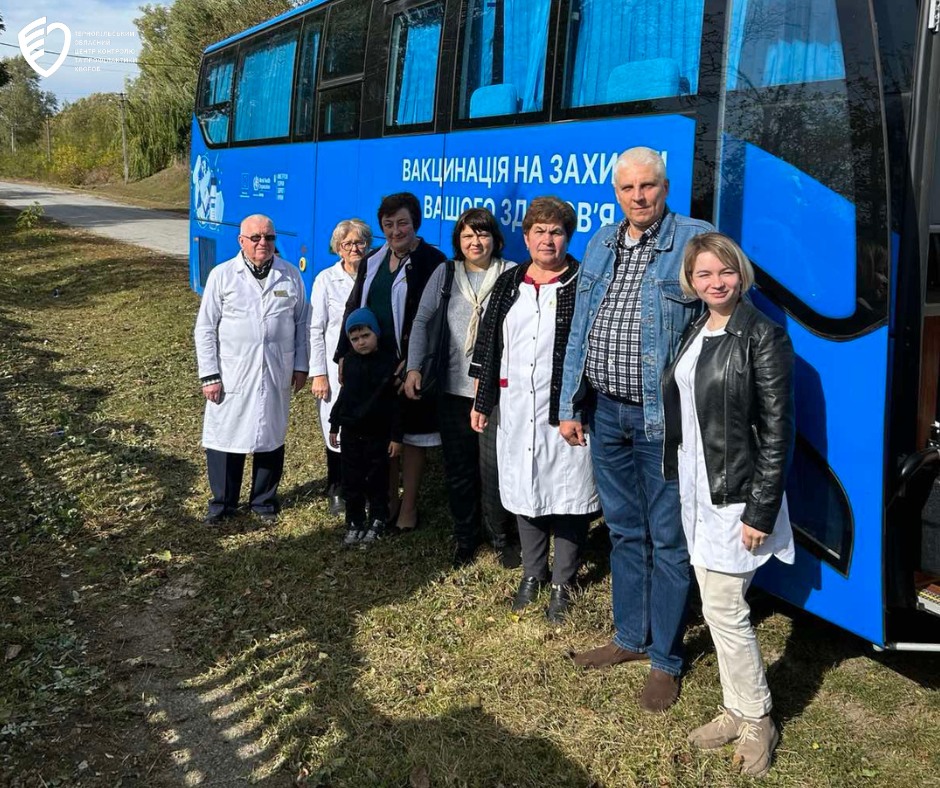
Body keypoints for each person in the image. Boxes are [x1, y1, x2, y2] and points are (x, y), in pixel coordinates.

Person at [559, 147, 714, 711]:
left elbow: (720, 318)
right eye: (627, 189)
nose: (638, 197)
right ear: (616, 193)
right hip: (605, 412)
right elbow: (580, 328)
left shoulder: (695, 240)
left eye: (648, 186)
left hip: (663, 420)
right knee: (624, 530)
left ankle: (666, 660)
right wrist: (570, 404)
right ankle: (629, 637)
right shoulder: (601, 240)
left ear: (665, 187)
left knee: (668, 539)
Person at [662, 233, 794, 776]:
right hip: (697, 486)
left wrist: (759, 512)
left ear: (740, 273)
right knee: (717, 608)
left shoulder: (763, 336)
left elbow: (778, 431)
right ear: (690, 282)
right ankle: (735, 707)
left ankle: (758, 717)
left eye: (724, 273)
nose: (715, 283)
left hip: (736, 495)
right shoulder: (699, 327)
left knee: (725, 608)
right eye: (703, 275)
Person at [470, 197, 599, 623]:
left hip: (565, 413)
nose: (548, 239)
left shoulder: (583, 283)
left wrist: (579, 406)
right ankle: (532, 572)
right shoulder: (510, 283)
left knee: (567, 495)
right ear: (526, 238)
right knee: (524, 490)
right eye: (539, 231)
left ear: (568, 237)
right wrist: (482, 400)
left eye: (557, 231)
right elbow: (490, 345)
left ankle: (563, 580)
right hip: (516, 409)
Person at [404, 208, 519, 568]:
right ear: (459, 241)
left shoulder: (512, 273)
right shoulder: (445, 273)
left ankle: (501, 536)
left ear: (495, 239)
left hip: (495, 393)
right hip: (453, 390)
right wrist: (413, 368)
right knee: (459, 468)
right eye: (468, 236)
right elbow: (422, 321)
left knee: (495, 469)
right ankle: (466, 538)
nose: (475, 242)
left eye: (482, 234)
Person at [335, 193, 446, 532]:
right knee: (383, 433)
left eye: (402, 223)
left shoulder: (432, 261)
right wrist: (343, 352)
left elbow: (428, 319)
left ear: (415, 224)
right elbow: (354, 307)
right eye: (388, 225)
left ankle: (408, 506)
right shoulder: (372, 260)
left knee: (411, 436)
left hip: (407, 368)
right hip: (372, 364)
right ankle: (388, 500)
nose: (395, 231)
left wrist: (410, 364)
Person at [195, 214, 309, 524]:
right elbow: (205, 328)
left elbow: (302, 323)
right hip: (232, 372)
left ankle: (263, 502)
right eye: (256, 237)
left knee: (270, 436)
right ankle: (223, 504)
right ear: (241, 241)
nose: (263, 243)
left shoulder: (290, 275)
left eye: (269, 238)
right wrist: (210, 375)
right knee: (225, 438)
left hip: (275, 370)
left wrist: (301, 366)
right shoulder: (222, 275)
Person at [310, 218, 373, 516]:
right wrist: (319, 374)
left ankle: (364, 486)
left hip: (368, 366)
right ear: (338, 249)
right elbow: (315, 328)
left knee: (366, 426)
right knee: (334, 425)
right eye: (347, 244)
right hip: (334, 371)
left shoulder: (375, 276)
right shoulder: (325, 279)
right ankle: (337, 486)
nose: (354, 248)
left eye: (360, 242)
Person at [330, 308, 403, 547]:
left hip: (378, 433)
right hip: (351, 432)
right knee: (352, 480)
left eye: (365, 336)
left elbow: (395, 404)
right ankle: (354, 521)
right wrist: (334, 423)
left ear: (376, 334)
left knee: (377, 479)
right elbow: (344, 395)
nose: (361, 342)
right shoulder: (349, 363)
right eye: (355, 339)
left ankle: (378, 519)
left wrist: (395, 437)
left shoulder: (388, 364)